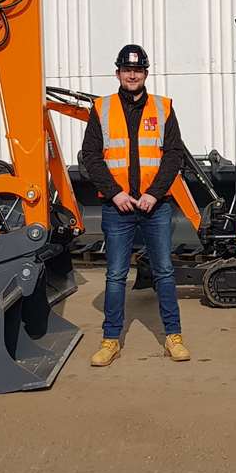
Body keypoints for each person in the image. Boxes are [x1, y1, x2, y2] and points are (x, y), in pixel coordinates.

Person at [78, 44, 190, 367]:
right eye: (127, 70)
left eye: (138, 70)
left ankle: (174, 337)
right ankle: (110, 340)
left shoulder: (163, 108)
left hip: (156, 206)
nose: (132, 75)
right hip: (118, 208)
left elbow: (173, 155)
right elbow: (91, 156)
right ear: (117, 73)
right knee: (115, 275)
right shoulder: (101, 109)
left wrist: (154, 193)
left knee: (165, 272)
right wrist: (115, 193)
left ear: (145, 73)